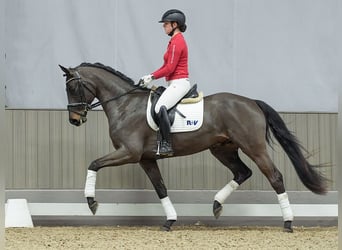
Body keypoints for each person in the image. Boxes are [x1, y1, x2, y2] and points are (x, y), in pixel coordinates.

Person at [139, 9, 191, 156]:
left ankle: (167, 144)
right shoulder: (173, 41)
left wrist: (152, 76)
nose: (164, 27)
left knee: (160, 107)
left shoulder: (177, 42)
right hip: (173, 83)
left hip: (179, 83)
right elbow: (165, 67)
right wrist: (149, 76)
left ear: (175, 24)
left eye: (166, 24)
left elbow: (170, 68)